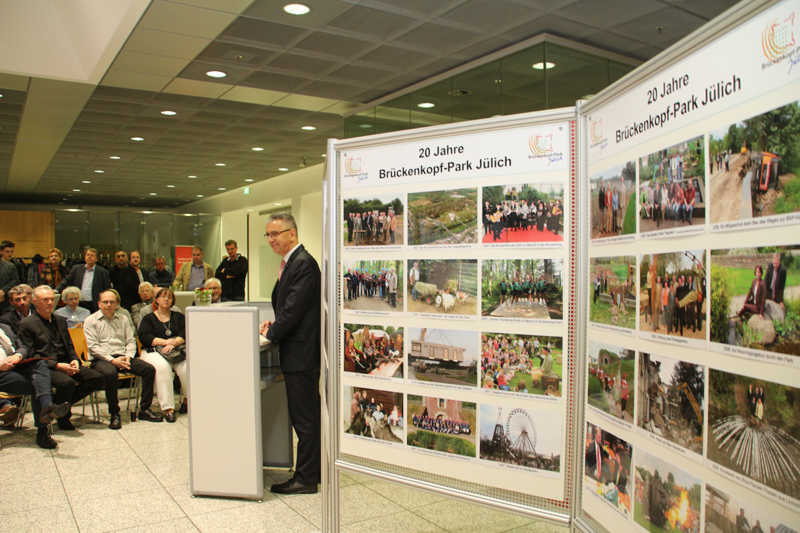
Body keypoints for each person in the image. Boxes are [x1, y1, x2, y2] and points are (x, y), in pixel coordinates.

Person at [258, 213, 320, 495]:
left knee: (304, 419)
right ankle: (311, 472)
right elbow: (290, 308)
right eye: (268, 235)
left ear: (292, 234)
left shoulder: (303, 264)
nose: (271, 239)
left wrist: (270, 334)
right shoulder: (291, 263)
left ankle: (306, 479)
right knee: (305, 417)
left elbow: (294, 310)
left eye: (276, 234)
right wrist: (273, 325)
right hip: (296, 351)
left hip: (302, 355)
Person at [18, 285, 104, 430]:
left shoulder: (60, 320)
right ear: (35, 302)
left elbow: (69, 345)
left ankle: (56, 406)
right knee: (67, 383)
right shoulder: (27, 324)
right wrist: (57, 366)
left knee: (96, 378)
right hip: (45, 367)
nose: (50, 303)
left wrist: (75, 360)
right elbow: (31, 354)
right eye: (45, 300)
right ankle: (63, 417)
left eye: (52, 299)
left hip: (66, 362)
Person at [84, 289, 162, 429]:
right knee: (110, 373)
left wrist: (128, 357)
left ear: (116, 304)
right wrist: (112, 360)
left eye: (112, 302)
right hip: (101, 358)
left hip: (123, 356)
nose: (108, 304)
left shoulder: (123, 318)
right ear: (99, 304)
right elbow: (93, 347)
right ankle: (114, 413)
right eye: (105, 302)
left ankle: (144, 409)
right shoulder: (91, 320)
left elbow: (131, 340)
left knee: (149, 370)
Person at [0, 321, 70, 448]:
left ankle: (46, 409)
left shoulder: (4, 327)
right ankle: (44, 426)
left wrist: (18, 355)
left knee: (40, 365)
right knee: (40, 383)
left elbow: (22, 346)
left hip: (15, 366)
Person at [138, 288, 186, 422]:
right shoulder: (148, 318)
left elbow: (185, 332)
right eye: (163, 296)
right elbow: (144, 337)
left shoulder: (179, 316)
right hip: (152, 350)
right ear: (156, 300)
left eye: (169, 297)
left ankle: (188, 401)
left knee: (186, 368)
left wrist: (173, 343)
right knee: (163, 368)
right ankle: (168, 408)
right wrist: (166, 342)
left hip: (176, 350)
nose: (166, 299)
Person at [58, 247, 111, 313]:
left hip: (94, 304)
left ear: (96, 259)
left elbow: (107, 289)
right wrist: (57, 290)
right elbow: (66, 281)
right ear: (85, 257)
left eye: (92, 255)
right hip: (78, 303)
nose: (89, 257)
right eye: (88, 255)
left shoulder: (103, 272)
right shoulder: (76, 269)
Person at [0, 242, 20, 313]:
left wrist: (3, 290)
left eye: (12, 252)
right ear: (1, 252)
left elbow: (16, 281)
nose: (10, 254)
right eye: (7, 251)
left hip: (8, 300)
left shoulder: (16, 264)